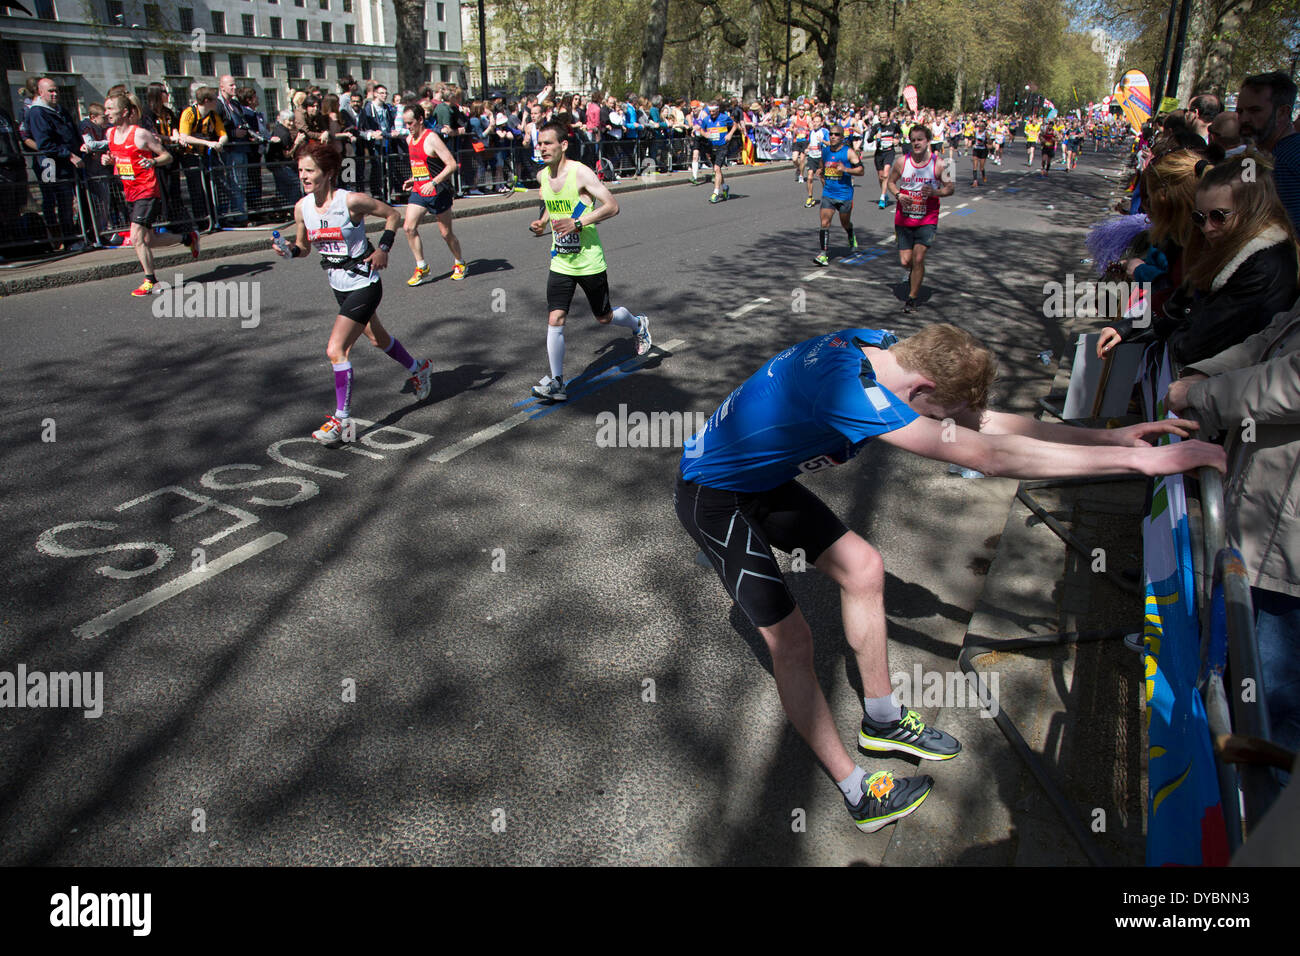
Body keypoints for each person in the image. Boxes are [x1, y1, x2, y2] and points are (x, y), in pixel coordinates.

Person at [675, 323, 1226, 834]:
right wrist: (1143, 464)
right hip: (713, 497)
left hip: (762, 481)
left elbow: (983, 425)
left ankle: (883, 719)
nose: (952, 420)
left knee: (863, 567)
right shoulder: (848, 392)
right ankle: (857, 791)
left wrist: (1109, 439)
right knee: (793, 642)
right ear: (922, 388)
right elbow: (987, 455)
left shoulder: (882, 348)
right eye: (945, 409)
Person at [272, 142, 433, 445]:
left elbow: (392, 216)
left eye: (310, 171)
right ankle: (419, 368)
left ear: (329, 173)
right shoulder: (302, 208)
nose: (303, 176)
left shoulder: (351, 202)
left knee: (336, 349)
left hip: (365, 282)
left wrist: (383, 248)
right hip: (339, 286)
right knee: (377, 338)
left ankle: (341, 421)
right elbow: (304, 249)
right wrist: (288, 251)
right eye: (300, 170)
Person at [1098, 152, 1300, 366]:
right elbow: (1178, 306)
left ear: (1251, 211)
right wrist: (1127, 328)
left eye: (1218, 217)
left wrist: (1175, 330)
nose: (1207, 228)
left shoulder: (1263, 267)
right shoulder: (1225, 251)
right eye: (1199, 218)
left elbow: (1192, 345)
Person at [526, 122, 651, 402]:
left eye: (548, 143)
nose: (543, 148)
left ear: (563, 145)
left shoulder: (580, 173)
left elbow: (612, 206)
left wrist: (578, 222)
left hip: (589, 261)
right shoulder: (542, 176)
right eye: (540, 143)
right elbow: (550, 202)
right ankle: (557, 382)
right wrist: (542, 222)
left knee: (603, 317)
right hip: (561, 261)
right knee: (555, 318)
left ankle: (637, 324)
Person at [101, 93, 174, 295]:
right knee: (149, 239)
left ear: (124, 112)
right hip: (130, 191)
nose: (106, 113)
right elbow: (120, 159)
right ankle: (188, 238)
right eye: (105, 109)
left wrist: (152, 161)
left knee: (136, 238)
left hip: (147, 190)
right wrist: (108, 160)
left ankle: (151, 281)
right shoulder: (110, 135)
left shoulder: (140, 134)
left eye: (110, 109)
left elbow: (167, 156)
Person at [888, 124, 953, 313]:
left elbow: (950, 188)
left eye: (920, 139)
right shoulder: (902, 162)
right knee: (905, 262)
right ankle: (915, 273)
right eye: (913, 139)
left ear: (928, 141)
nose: (916, 143)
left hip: (927, 218)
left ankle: (912, 298)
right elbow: (891, 182)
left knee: (918, 257)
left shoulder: (940, 164)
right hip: (904, 219)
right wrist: (899, 195)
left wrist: (935, 192)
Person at [401, 103, 466, 285]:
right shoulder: (409, 140)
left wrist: (434, 182)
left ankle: (460, 263)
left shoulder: (432, 138)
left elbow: (452, 165)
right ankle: (421, 266)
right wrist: (413, 178)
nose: (408, 128)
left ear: (420, 120)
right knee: (408, 228)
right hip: (420, 190)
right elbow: (420, 165)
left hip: (438, 190)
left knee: (445, 233)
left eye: (410, 123)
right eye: (405, 123)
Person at [25, 77, 87, 251]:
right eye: (50, 91)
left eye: (56, 90)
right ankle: (65, 240)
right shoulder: (37, 112)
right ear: (41, 92)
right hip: (50, 166)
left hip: (70, 166)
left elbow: (72, 134)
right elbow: (45, 143)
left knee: (70, 203)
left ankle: (78, 235)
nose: (54, 94)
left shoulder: (60, 110)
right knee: (58, 201)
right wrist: (68, 155)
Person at [1236, 72, 1299, 233]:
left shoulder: (1283, 163)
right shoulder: (1267, 157)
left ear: (1283, 113)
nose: (1244, 119)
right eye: (1240, 111)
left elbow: (1291, 235)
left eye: (1255, 111)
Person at [813, 123, 862, 266]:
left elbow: (861, 170)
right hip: (828, 193)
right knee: (824, 223)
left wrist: (845, 169)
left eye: (837, 134)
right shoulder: (826, 151)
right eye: (831, 134)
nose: (833, 137)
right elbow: (823, 165)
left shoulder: (849, 152)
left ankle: (850, 233)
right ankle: (823, 254)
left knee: (844, 223)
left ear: (842, 137)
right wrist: (820, 171)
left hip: (844, 194)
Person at [694, 101, 735, 204]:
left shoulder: (724, 117)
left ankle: (715, 193)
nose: (711, 113)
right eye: (710, 111)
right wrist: (705, 134)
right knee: (717, 170)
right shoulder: (706, 119)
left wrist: (729, 134)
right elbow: (701, 129)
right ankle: (725, 187)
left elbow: (735, 125)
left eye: (713, 111)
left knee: (717, 168)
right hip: (712, 146)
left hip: (722, 145)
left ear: (718, 110)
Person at [869, 108, 902, 208]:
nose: (882, 119)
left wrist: (897, 139)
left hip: (889, 152)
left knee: (886, 174)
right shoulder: (876, 127)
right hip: (879, 153)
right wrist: (875, 137)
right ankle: (885, 194)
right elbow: (869, 139)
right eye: (880, 117)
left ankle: (882, 198)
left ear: (888, 117)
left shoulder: (893, 126)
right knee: (881, 176)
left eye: (884, 117)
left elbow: (900, 134)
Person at [802, 112, 829, 208]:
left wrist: (823, 141)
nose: (815, 123)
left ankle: (827, 196)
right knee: (809, 177)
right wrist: (807, 148)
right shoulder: (811, 132)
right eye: (814, 121)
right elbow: (810, 143)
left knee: (822, 178)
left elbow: (830, 143)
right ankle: (810, 197)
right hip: (812, 157)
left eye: (817, 122)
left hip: (821, 157)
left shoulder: (825, 131)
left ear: (821, 123)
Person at [969, 117, 989, 187]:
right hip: (976, 149)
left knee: (981, 168)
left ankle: (983, 175)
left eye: (982, 126)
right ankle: (975, 181)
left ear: (984, 127)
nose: (980, 127)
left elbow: (990, 142)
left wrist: (986, 141)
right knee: (975, 166)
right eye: (979, 126)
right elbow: (974, 139)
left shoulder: (986, 133)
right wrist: (972, 143)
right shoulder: (976, 132)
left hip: (983, 150)